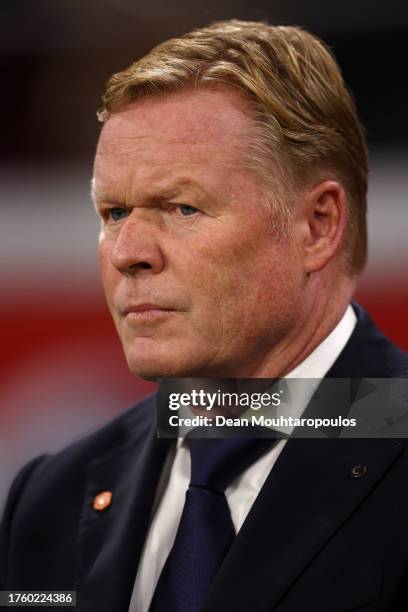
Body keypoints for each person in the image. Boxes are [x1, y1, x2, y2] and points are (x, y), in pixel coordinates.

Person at [1, 19, 407, 612]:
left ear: (317, 225)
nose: (128, 253)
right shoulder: (50, 498)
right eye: (113, 212)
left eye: (183, 207)